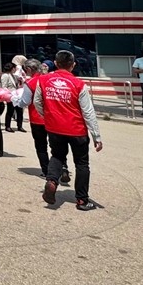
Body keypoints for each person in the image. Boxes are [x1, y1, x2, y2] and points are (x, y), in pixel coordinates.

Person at [35, 49, 104, 211]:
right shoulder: (79, 84)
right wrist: (97, 136)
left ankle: (52, 181)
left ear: (56, 63)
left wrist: (47, 117)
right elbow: (88, 112)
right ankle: (82, 200)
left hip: (54, 128)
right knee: (81, 164)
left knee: (57, 156)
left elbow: (38, 102)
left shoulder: (43, 81)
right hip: (76, 130)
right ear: (73, 65)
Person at [0, 61, 24, 132]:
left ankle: (20, 126)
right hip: (10, 96)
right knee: (10, 111)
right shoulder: (5, 75)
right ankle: (8, 126)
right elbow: (4, 86)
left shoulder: (13, 75)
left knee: (19, 111)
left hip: (17, 95)